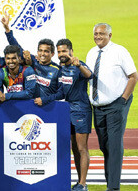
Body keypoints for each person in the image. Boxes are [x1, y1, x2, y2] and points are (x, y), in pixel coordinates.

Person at [86, 23, 137, 191]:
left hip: (116, 103)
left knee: (114, 145)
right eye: (95, 33)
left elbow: (133, 76)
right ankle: (111, 181)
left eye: (101, 33)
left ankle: (113, 187)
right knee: (104, 145)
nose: (98, 36)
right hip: (98, 106)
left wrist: (123, 99)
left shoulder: (119, 51)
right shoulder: (92, 53)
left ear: (110, 35)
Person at [51, 39, 92, 191]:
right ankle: (79, 182)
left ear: (71, 51)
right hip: (67, 110)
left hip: (81, 110)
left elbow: (89, 75)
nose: (62, 54)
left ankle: (83, 183)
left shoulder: (77, 65)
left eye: (64, 51)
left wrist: (79, 65)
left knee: (82, 148)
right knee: (74, 148)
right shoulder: (61, 69)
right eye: (59, 51)